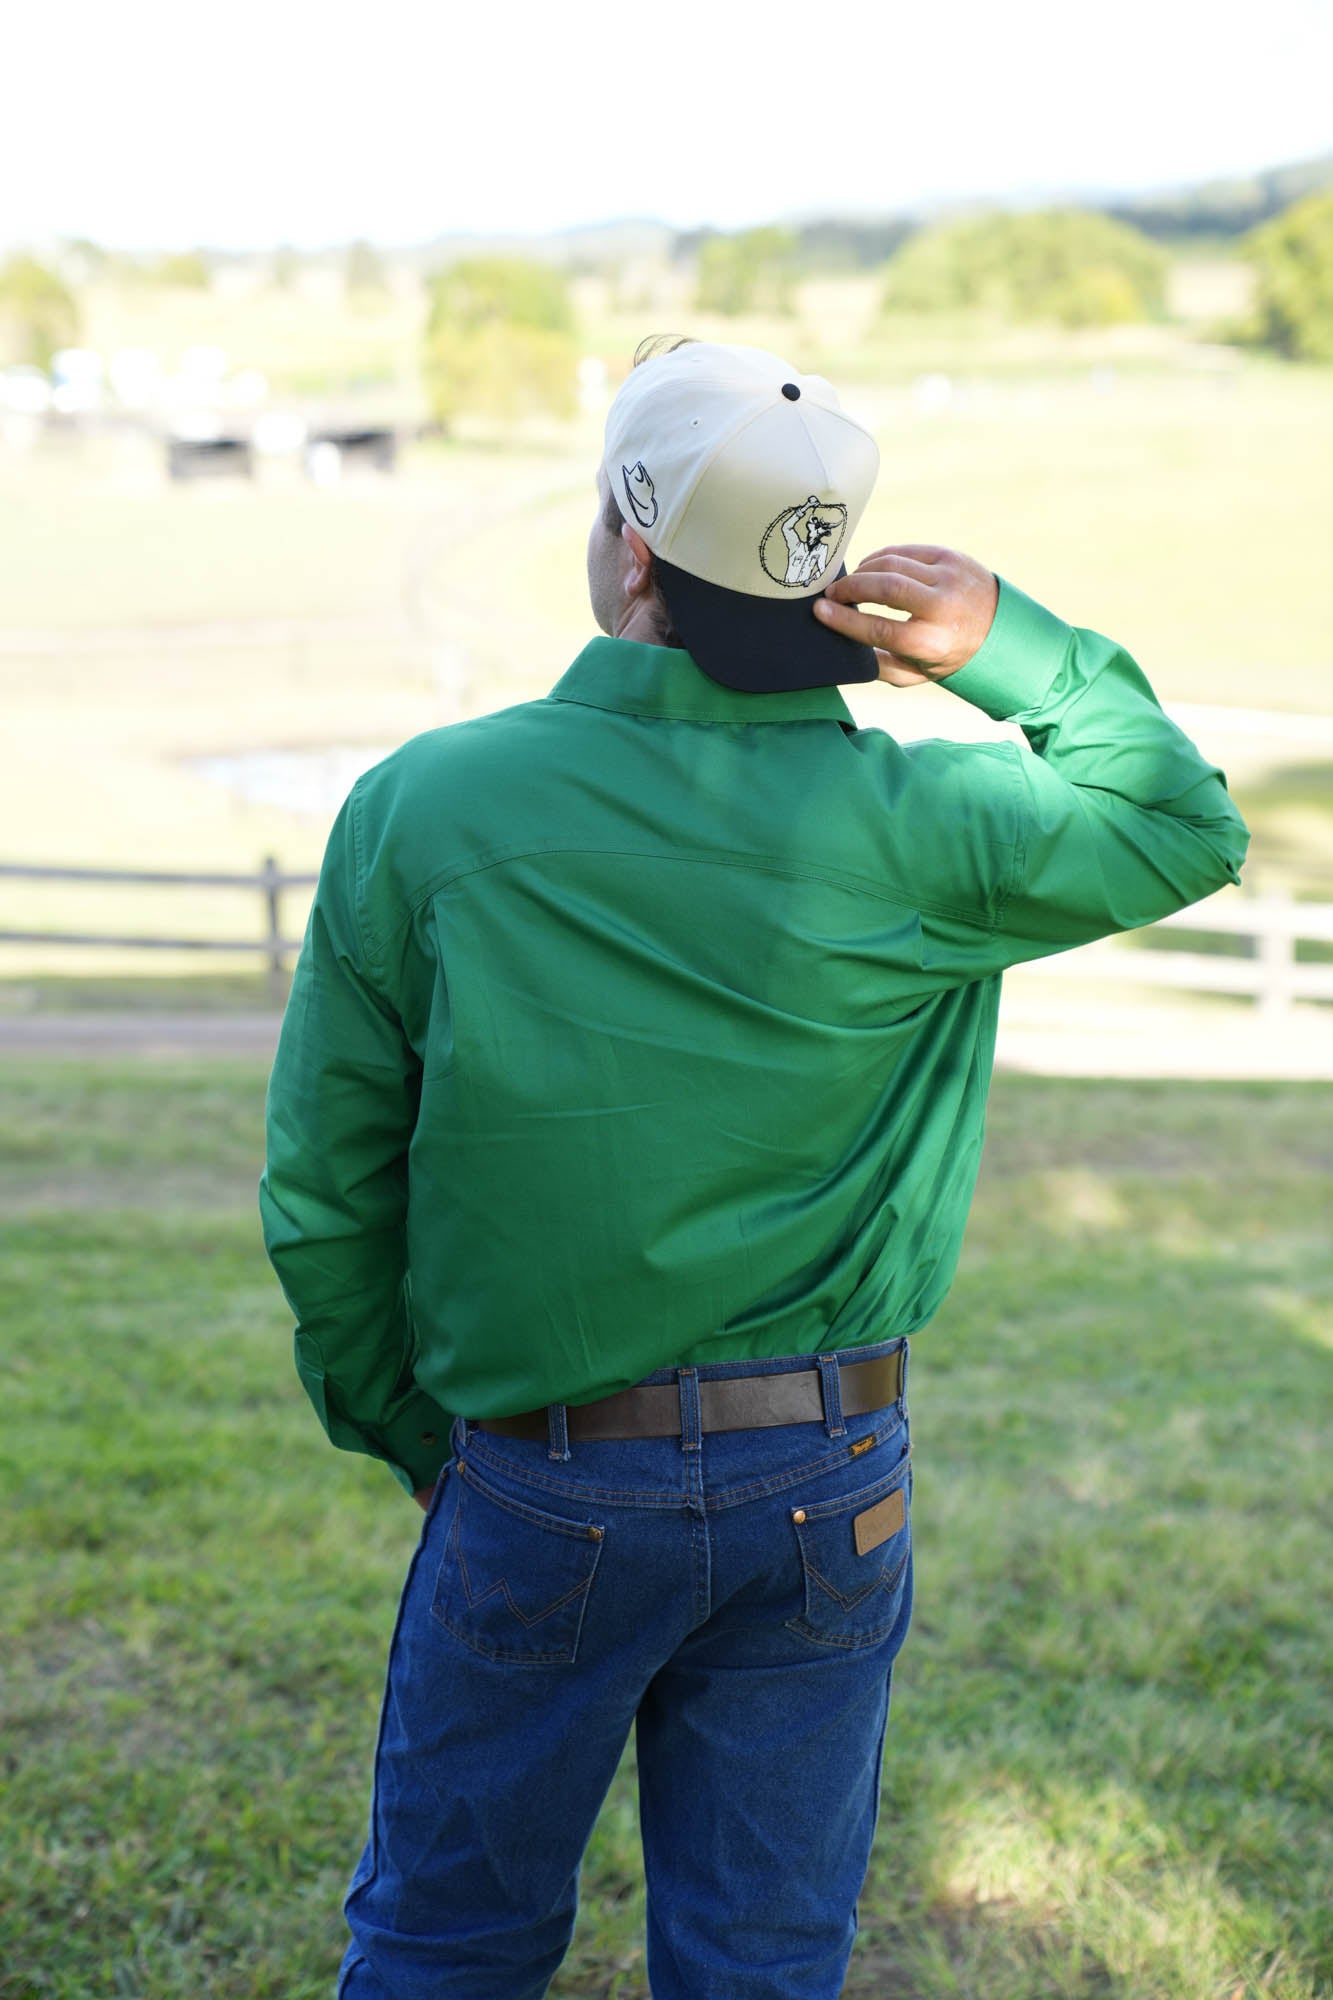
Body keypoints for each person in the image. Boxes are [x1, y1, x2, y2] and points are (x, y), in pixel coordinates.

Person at [259, 337, 1249, 2000]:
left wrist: (417, 1435)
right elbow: (1176, 822)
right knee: (764, 1957)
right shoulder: (930, 823)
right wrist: (1013, 649)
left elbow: (328, 1190)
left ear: (630, 547)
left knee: (446, 1940)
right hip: (829, 1480)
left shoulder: (427, 807)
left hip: (541, 1468)